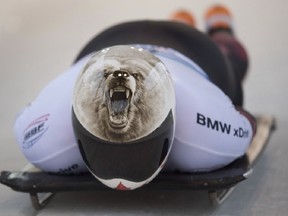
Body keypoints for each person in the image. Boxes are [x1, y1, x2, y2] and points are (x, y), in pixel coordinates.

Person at [14, 5, 256, 190]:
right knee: (230, 69)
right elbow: (248, 121)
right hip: (119, 45)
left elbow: (244, 122)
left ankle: (214, 26)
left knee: (233, 62)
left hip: (187, 49)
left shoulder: (206, 133)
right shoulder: (43, 143)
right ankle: (190, 23)